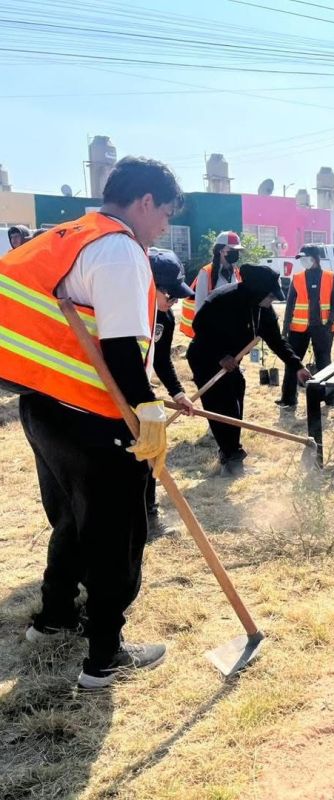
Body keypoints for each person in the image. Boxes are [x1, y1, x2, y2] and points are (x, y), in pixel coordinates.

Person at [0, 156, 182, 687]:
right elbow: (121, 346)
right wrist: (147, 410)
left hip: (42, 407)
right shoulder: (120, 249)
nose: (164, 226)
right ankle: (105, 657)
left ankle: (53, 619)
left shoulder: (62, 237)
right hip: (95, 418)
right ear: (146, 201)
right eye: (166, 213)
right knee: (117, 534)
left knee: (75, 521)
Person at [188, 264, 311, 477]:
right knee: (220, 407)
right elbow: (200, 327)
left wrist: (297, 366)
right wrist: (221, 355)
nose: (272, 301)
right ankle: (231, 459)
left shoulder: (262, 309)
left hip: (232, 363)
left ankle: (231, 451)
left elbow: (276, 341)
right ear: (258, 290)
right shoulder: (222, 299)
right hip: (206, 359)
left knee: (235, 400)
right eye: (270, 296)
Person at [145, 250, 196, 535]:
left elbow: (162, 359)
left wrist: (178, 393)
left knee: (151, 451)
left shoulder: (165, 318)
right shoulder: (124, 312)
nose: (174, 303)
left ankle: (150, 516)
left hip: (141, 390)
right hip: (110, 395)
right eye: (170, 296)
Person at [277, 245, 334, 410]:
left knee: (325, 362)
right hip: (298, 328)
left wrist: (329, 321)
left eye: (305, 258)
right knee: (293, 362)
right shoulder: (297, 278)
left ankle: (331, 399)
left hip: (322, 328)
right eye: (301, 259)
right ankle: (288, 399)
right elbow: (290, 304)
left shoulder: (329, 276)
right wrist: (285, 328)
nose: (303, 262)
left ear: (315, 258)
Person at [178, 230, 243, 337]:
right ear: (220, 250)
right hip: (213, 331)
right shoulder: (205, 272)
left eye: (237, 250)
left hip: (232, 330)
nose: (236, 253)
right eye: (231, 249)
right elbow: (199, 308)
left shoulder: (236, 272)